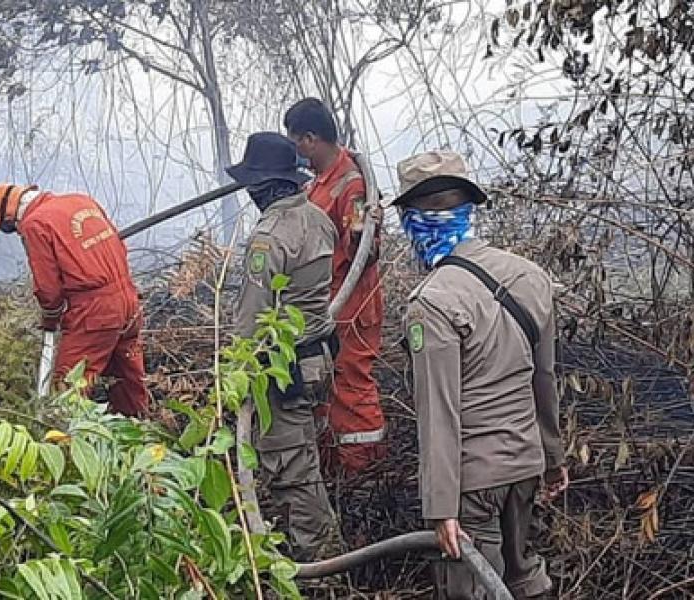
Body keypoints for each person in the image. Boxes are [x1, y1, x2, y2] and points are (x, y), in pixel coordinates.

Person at [387, 151, 569, 599]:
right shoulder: (530, 276)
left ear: (413, 222)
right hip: (524, 463)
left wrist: (442, 509)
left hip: (473, 484)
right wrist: (552, 458)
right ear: (468, 209)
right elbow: (544, 380)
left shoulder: (431, 302)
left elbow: (440, 415)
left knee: (471, 590)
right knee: (523, 575)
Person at [229, 132, 343, 561]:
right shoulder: (319, 218)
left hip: (285, 368)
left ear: (269, 186)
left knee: (291, 470)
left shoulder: (268, 238)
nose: (251, 193)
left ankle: (322, 564)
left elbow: (253, 318)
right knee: (303, 456)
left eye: (255, 185)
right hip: (318, 359)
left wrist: (235, 378)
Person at [0, 184, 149, 417]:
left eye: (8, 229)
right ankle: (141, 429)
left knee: (69, 384)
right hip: (129, 299)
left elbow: (48, 287)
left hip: (95, 310)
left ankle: (66, 443)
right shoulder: (80, 200)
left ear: (10, 217)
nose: (16, 232)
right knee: (127, 374)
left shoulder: (35, 224)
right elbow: (120, 246)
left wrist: (51, 317)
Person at [283, 98, 386, 475]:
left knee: (352, 390)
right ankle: (333, 470)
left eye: (295, 142)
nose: (295, 151)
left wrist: (365, 227)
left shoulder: (352, 184)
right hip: (325, 310)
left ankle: (364, 473)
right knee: (325, 389)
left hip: (352, 308)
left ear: (310, 139)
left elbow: (365, 252)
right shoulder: (318, 185)